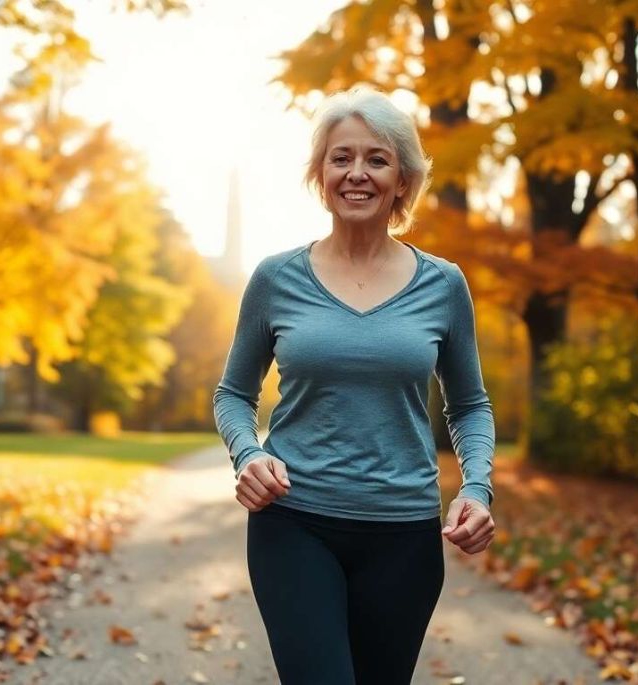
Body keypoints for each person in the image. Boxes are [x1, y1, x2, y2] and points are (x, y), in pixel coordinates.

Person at [212, 86, 496, 685]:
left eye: (377, 158)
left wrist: (477, 486)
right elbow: (233, 394)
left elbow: (469, 405)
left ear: (403, 180)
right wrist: (249, 452)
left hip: (404, 536)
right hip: (294, 523)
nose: (357, 173)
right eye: (341, 158)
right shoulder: (275, 278)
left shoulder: (443, 285)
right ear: (320, 174)